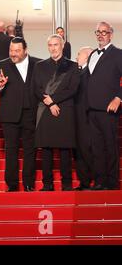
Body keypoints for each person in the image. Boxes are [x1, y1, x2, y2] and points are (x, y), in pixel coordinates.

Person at [0, 37, 40, 192]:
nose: (13, 54)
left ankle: (28, 183)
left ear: (25, 50)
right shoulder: (1, 64)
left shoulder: (38, 64)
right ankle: (11, 185)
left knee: (30, 150)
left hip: (31, 114)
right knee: (11, 150)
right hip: (10, 115)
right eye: (11, 50)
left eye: (17, 51)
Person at [32, 34, 80, 191]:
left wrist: (53, 101)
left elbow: (72, 89)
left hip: (64, 110)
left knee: (65, 149)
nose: (53, 48)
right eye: (50, 45)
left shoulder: (73, 66)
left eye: (56, 45)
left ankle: (66, 184)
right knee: (46, 149)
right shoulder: (39, 66)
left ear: (62, 45)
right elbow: (36, 88)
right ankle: (47, 184)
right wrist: (50, 103)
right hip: (46, 110)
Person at [87, 22, 122, 190]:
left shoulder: (118, 54)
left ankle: (112, 182)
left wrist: (118, 98)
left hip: (109, 109)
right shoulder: (93, 54)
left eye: (104, 32)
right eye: (98, 32)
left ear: (111, 34)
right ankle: (100, 181)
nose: (101, 35)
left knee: (110, 147)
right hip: (91, 109)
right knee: (97, 148)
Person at [74, 46, 94, 191]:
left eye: (78, 55)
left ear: (87, 56)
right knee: (79, 151)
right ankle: (84, 182)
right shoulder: (77, 72)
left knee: (87, 150)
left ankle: (94, 180)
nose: (76, 58)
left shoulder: (92, 73)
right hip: (76, 118)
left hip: (87, 118)